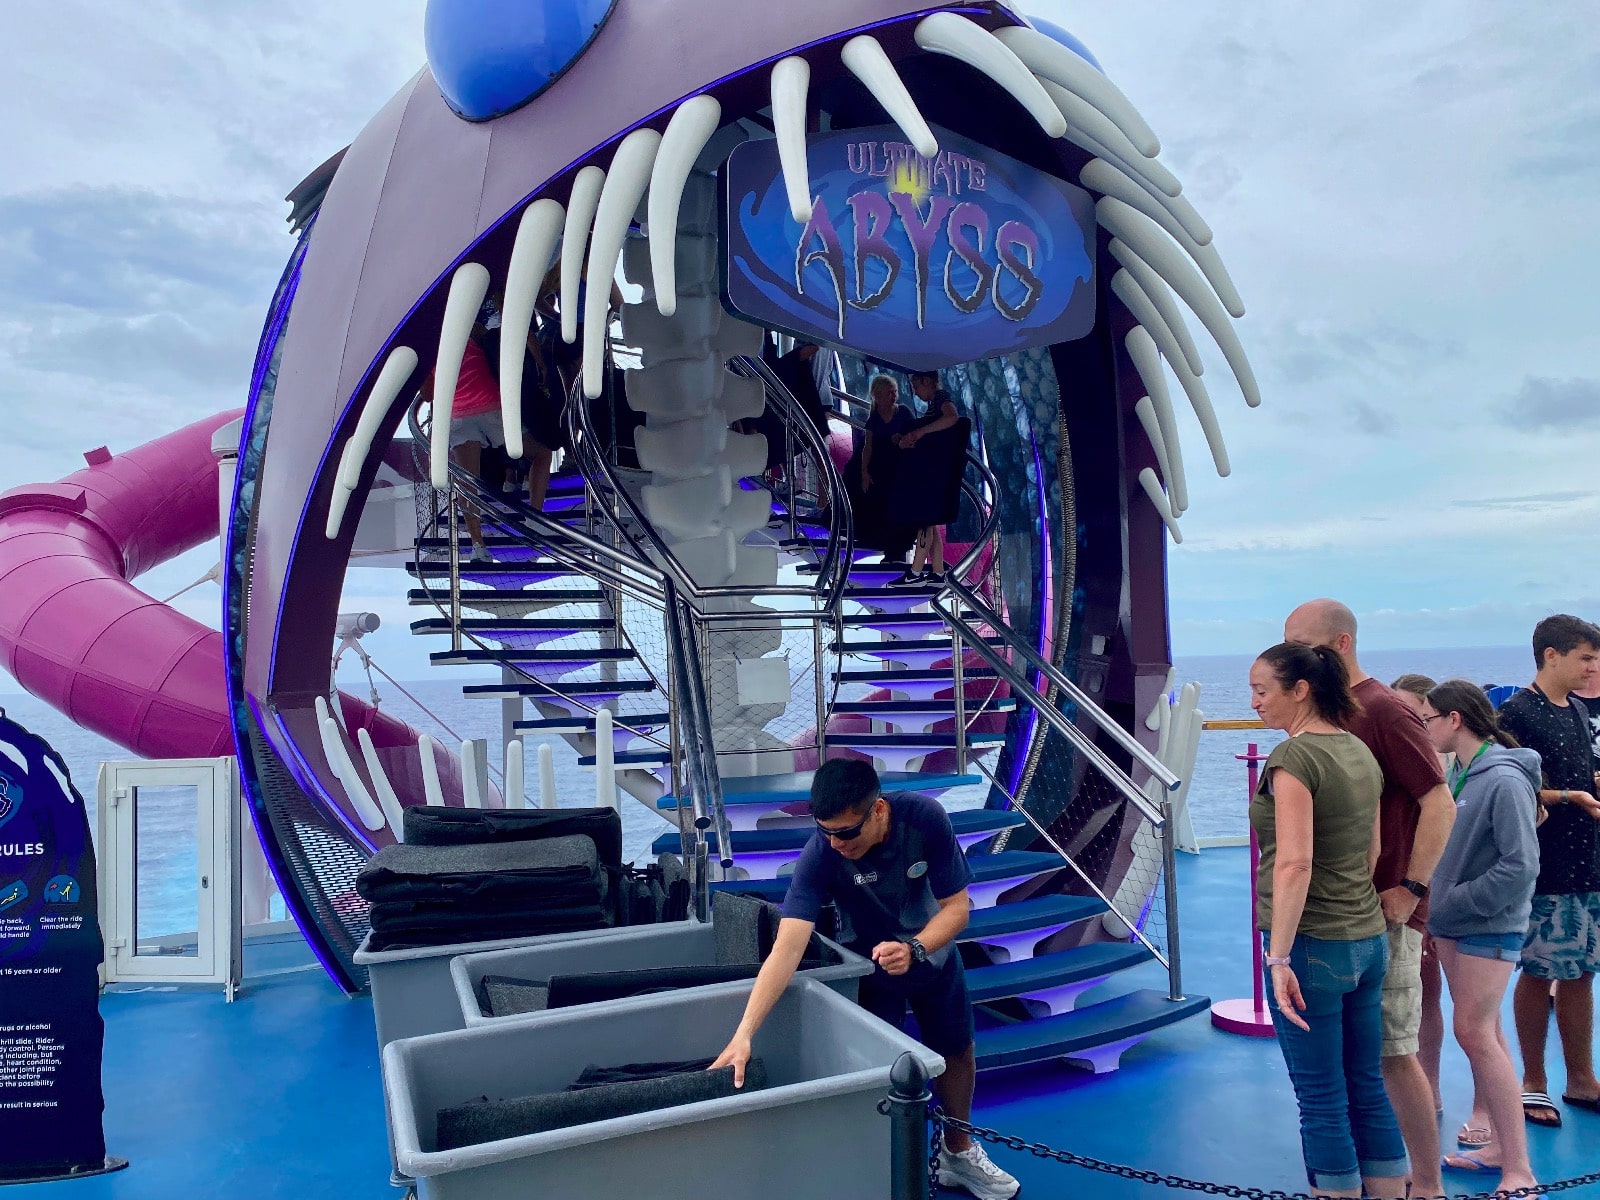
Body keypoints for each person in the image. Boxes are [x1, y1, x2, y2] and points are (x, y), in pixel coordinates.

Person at [709, 759, 1019, 1200]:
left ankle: (958, 1153)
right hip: (868, 966)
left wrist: (915, 949)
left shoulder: (923, 817)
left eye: (846, 832)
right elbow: (787, 948)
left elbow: (958, 908)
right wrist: (744, 1034)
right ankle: (880, 1165)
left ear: (877, 810)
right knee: (880, 1070)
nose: (836, 843)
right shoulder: (821, 853)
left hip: (931, 952)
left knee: (957, 1050)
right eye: (826, 831)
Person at [1284, 601, 1453, 1199]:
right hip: (1346, 916)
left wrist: (1411, 889)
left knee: (1393, 1054)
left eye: (1305, 645)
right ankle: (1378, 1177)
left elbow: (1439, 801)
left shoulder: (1382, 710)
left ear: (1343, 643)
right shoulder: (1335, 717)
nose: (1295, 658)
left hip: (1385, 912)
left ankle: (1427, 1185)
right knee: (1362, 1061)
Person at [1248, 642, 1407, 1198]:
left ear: (1300, 690)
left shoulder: (1294, 760)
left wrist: (1279, 957)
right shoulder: (1359, 752)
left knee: (1321, 1097)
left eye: (1263, 690)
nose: (1255, 702)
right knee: (1367, 1085)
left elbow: (1295, 862)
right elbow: (1372, 852)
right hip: (1366, 939)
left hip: (1314, 947)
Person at [1420, 680, 1540, 1188]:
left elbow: (1520, 865)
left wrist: (1456, 901)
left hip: (1487, 926)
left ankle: (1520, 1172)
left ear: (1454, 720)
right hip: (1454, 925)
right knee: (1485, 1032)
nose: (1423, 728)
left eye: (1428, 719)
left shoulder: (1504, 780)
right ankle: (1501, 1152)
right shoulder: (1460, 774)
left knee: (1475, 1032)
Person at [1493, 614, 1600, 1129]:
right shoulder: (1518, 712)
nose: (1592, 668)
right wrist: (1568, 796)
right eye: (1585, 657)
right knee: (1538, 972)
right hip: (1545, 867)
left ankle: (1581, 1077)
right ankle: (1533, 1081)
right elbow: (1506, 787)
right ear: (1550, 655)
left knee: (1580, 973)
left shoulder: (1578, 710)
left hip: (1588, 863)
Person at [1389, 674, 1454, 1136]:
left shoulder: (1448, 769)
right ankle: (1411, 1089)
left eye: (1418, 715)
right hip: (1414, 897)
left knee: (1438, 1000)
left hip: (1436, 894)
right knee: (1412, 997)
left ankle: (1428, 1085)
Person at [890, 370, 967, 586]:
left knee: (925, 521)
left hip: (934, 476)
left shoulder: (942, 398)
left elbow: (952, 417)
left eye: (917, 386)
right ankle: (938, 571)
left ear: (927, 382)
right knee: (930, 523)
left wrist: (920, 433)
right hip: (933, 475)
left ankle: (915, 573)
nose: (915, 392)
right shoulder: (933, 407)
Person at [856, 374, 915, 562]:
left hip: (900, 469)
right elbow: (868, 446)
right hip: (880, 469)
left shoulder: (904, 413)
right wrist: (864, 472)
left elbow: (915, 437)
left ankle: (898, 550)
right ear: (877, 395)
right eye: (889, 392)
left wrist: (902, 439)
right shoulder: (874, 419)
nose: (893, 396)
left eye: (895, 392)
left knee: (899, 508)